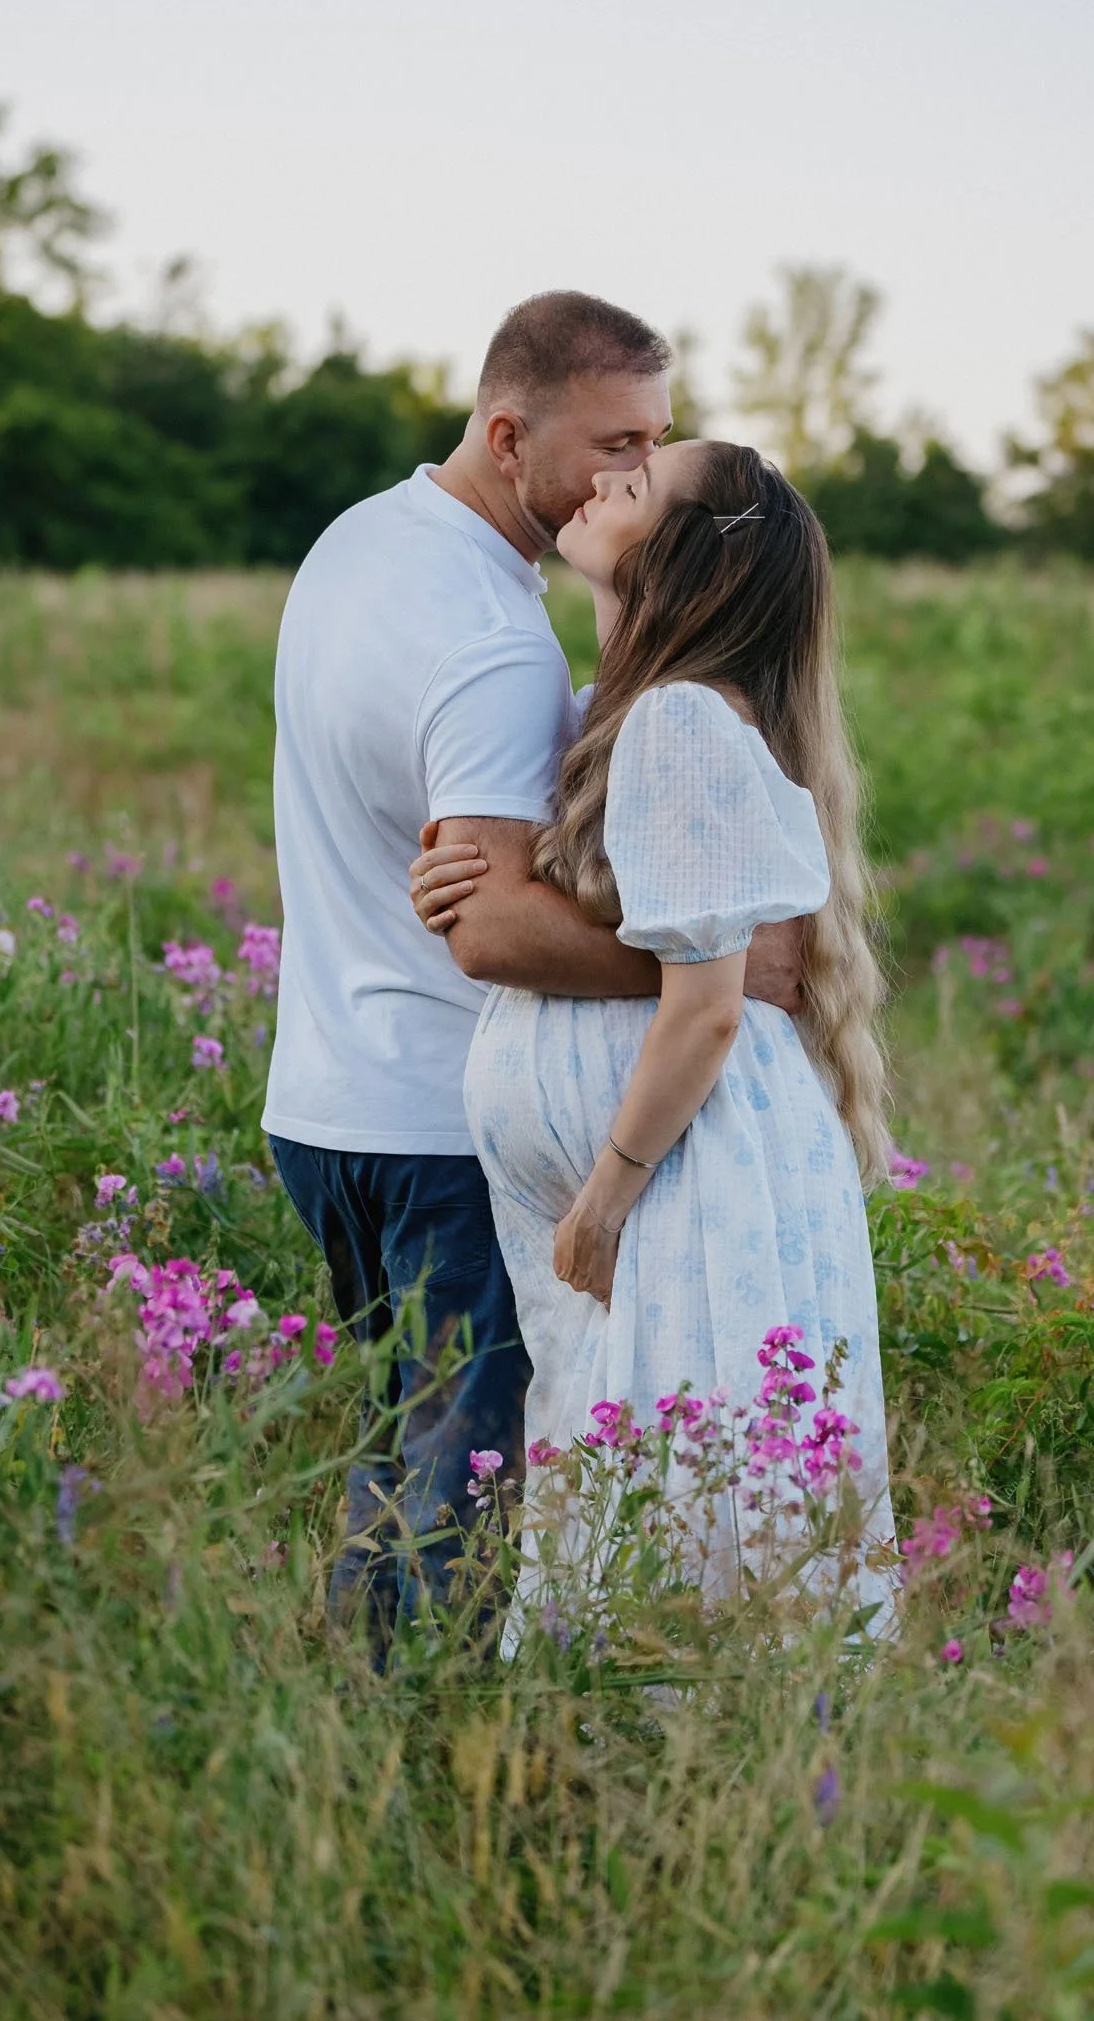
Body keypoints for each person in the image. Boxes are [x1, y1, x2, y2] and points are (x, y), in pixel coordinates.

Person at [262, 291, 800, 1646]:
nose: (634, 474)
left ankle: (356, 1733)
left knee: (397, 1460)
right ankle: (436, 1772)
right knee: (468, 1487)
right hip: (435, 1126)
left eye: (653, 443)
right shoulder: (497, 642)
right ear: (509, 435)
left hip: (322, 1106)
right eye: (615, 442)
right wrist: (721, 971)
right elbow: (493, 926)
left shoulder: (355, 543)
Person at [410, 437, 896, 1627]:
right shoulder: (626, 714)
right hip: (679, 1169)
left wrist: (601, 1196)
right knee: (661, 1496)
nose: (598, 485)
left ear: (680, 561)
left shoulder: (678, 721)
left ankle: (698, 1780)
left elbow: (708, 1004)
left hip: (685, 1170)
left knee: (681, 1509)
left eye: (634, 486)